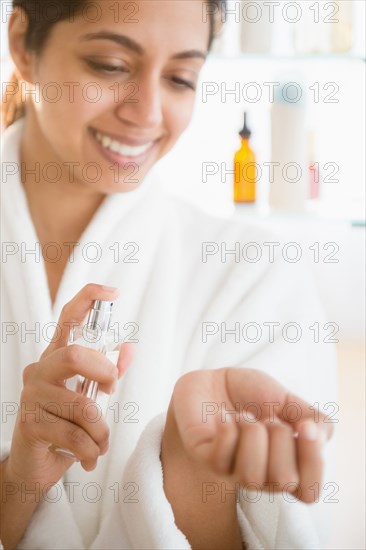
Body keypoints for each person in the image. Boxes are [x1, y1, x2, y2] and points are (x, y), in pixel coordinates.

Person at [0, 1, 337, 549]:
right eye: (109, 65)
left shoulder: (258, 276)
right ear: (22, 43)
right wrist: (19, 481)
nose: (148, 112)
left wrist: (190, 467)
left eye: (181, 78)